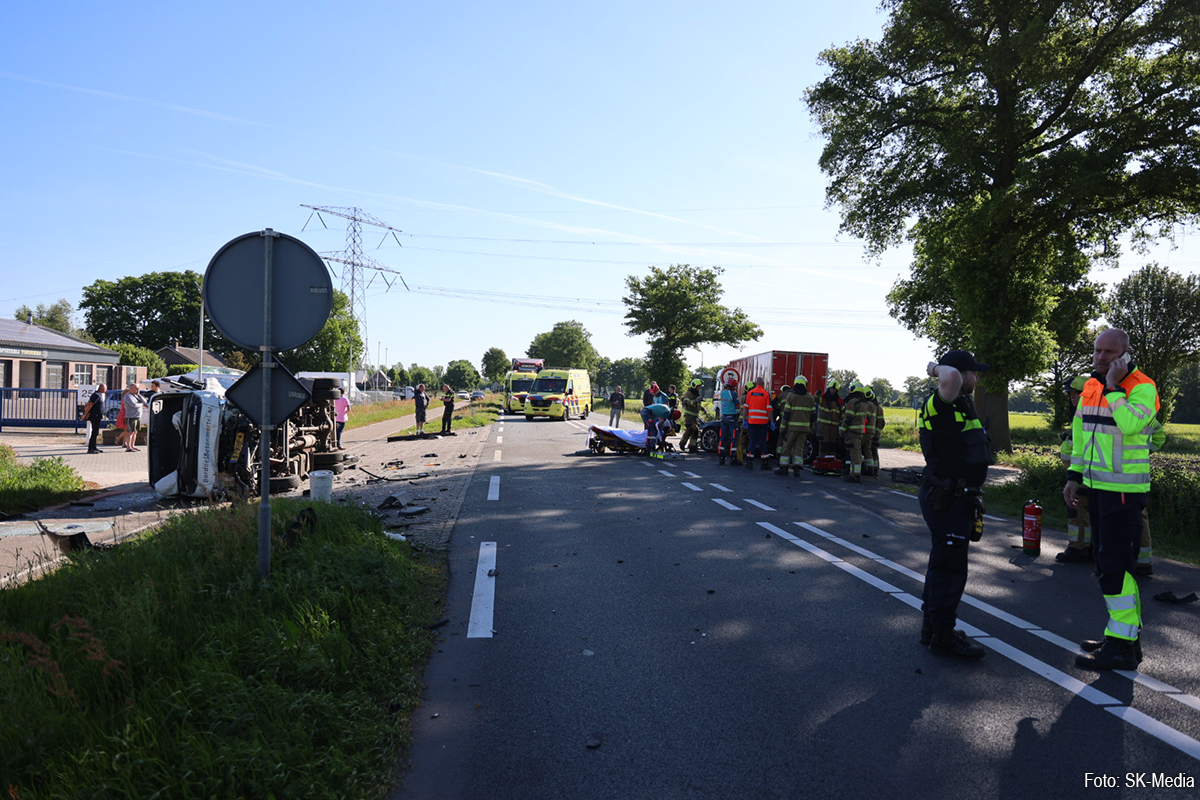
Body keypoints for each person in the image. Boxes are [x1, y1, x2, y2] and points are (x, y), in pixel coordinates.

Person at [1065, 328, 1159, 671]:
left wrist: (1116, 387)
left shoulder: (1142, 386)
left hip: (1124, 492)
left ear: (1125, 355)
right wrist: (1074, 476)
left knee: (1117, 569)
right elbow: (1081, 435)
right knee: (1107, 566)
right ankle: (1124, 638)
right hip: (1098, 489)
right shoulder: (1091, 386)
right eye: (1097, 351)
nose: (1101, 357)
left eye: (1109, 352)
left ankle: (1122, 648)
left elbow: (1130, 424)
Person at [918, 351, 992, 660]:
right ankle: (943, 636)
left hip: (957, 498)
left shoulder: (961, 404)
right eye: (974, 372)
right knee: (949, 570)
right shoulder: (941, 401)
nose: (978, 378)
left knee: (943, 564)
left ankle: (932, 628)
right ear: (960, 374)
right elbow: (949, 376)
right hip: (947, 498)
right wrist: (934, 368)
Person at [1056, 376, 1092, 563]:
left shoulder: (1088, 412)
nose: (1072, 397)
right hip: (1079, 469)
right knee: (1083, 509)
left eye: (1075, 393)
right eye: (1070, 394)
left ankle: (1077, 548)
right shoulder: (1081, 413)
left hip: (1084, 471)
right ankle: (1087, 547)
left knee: (1075, 507)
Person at [776, 375, 816, 476]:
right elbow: (813, 416)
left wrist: (782, 428)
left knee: (787, 446)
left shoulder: (791, 396)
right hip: (804, 429)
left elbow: (786, 415)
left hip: (792, 428)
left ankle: (784, 468)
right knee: (799, 447)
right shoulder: (810, 398)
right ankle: (797, 468)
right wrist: (811, 428)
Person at [839, 382, 873, 483]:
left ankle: (854, 475)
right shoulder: (864, 403)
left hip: (852, 432)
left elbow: (848, 418)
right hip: (860, 432)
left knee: (854, 454)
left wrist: (842, 430)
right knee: (857, 453)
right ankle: (856, 474)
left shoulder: (852, 402)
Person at [744, 378, 772, 470]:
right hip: (763, 423)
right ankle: (764, 463)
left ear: (756, 383)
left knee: (752, 441)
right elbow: (769, 409)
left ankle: (749, 462)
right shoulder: (765, 394)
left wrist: (744, 419)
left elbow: (745, 408)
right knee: (762, 442)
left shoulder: (750, 393)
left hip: (752, 422)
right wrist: (772, 421)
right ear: (763, 384)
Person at [816, 379, 843, 458]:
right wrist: (817, 395)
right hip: (823, 426)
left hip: (834, 427)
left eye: (834, 389)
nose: (833, 391)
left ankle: (832, 461)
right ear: (829, 388)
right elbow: (817, 400)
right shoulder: (823, 397)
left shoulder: (839, 400)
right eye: (832, 389)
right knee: (823, 445)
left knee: (833, 446)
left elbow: (842, 413)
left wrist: (841, 424)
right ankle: (821, 460)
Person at [717, 378, 740, 466]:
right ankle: (733, 457)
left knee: (723, 437)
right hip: (732, 418)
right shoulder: (733, 394)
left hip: (724, 417)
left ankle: (721, 456)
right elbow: (737, 406)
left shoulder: (722, 393)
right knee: (733, 438)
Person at [678, 379, 703, 453]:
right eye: (698, 386)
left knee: (695, 431)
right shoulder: (688, 394)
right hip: (689, 416)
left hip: (695, 417)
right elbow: (688, 403)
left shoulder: (696, 394)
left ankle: (692, 447)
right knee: (691, 430)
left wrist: (702, 408)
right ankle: (682, 443)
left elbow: (697, 405)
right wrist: (696, 401)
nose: (699, 388)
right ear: (694, 386)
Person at [121, 383, 146, 452]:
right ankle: (128, 447)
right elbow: (134, 405)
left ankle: (133, 445)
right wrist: (141, 405)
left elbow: (145, 401)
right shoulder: (128, 396)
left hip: (137, 416)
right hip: (131, 416)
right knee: (130, 432)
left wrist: (139, 395)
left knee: (135, 432)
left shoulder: (136, 395)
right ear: (131, 389)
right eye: (136, 388)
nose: (138, 389)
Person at [81, 383, 106, 453]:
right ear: (102, 389)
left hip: (98, 416)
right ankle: (91, 448)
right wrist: (86, 414)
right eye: (105, 388)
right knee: (94, 432)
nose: (106, 390)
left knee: (95, 432)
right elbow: (89, 404)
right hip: (95, 416)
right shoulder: (96, 395)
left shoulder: (99, 395)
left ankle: (94, 447)